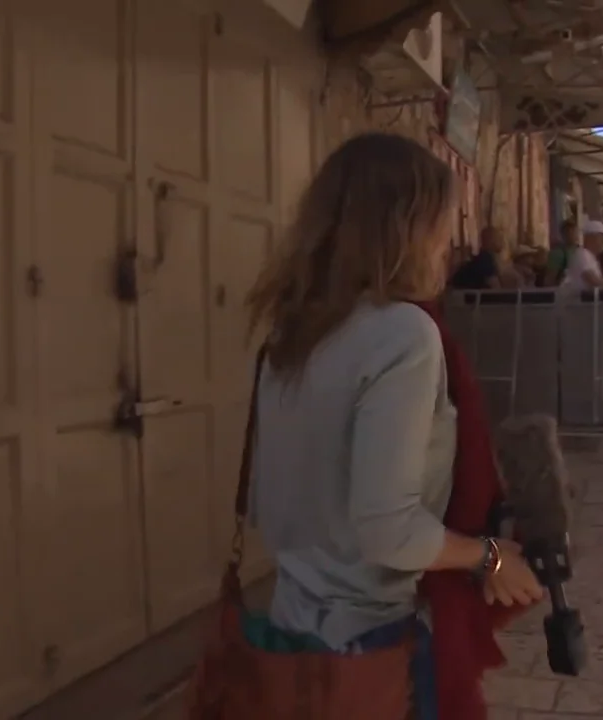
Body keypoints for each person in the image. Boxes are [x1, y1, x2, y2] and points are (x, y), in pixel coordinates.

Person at [244, 132, 544, 717]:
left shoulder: (289, 334)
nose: (449, 241)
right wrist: (490, 556)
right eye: (441, 220)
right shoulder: (401, 333)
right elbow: (391, 532)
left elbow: (265, 503)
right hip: (364, 647)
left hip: (288, 631)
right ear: (404, 227)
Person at [449, 226, 522, 289]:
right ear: (491, 241)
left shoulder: (483, 258)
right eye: (499, 238)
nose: (502, 241)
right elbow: (494, 286)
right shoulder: (486, 260)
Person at [560, 218, 603, 290]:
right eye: (602, 237)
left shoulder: (590, 256)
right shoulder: (582, 254)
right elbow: (593, 280)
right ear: (591, 237)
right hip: (577, 300)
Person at [543, 219, 576, 286]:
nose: (572, 234)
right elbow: (549, 279)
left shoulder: (581, 251)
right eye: (569, 232)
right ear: (563, 234)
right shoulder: (557, 253)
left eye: (574, 231)